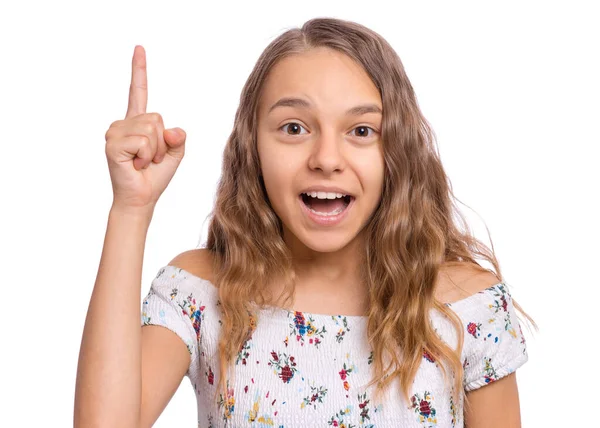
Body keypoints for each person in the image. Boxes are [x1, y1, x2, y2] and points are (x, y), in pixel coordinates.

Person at [74, 17, 535, 428]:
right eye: (294, 128)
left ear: (398, 151)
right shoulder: (200, 292)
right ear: (252, 147)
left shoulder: (469, 309)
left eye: (361, 131)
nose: (327, 159)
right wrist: (131, 210)